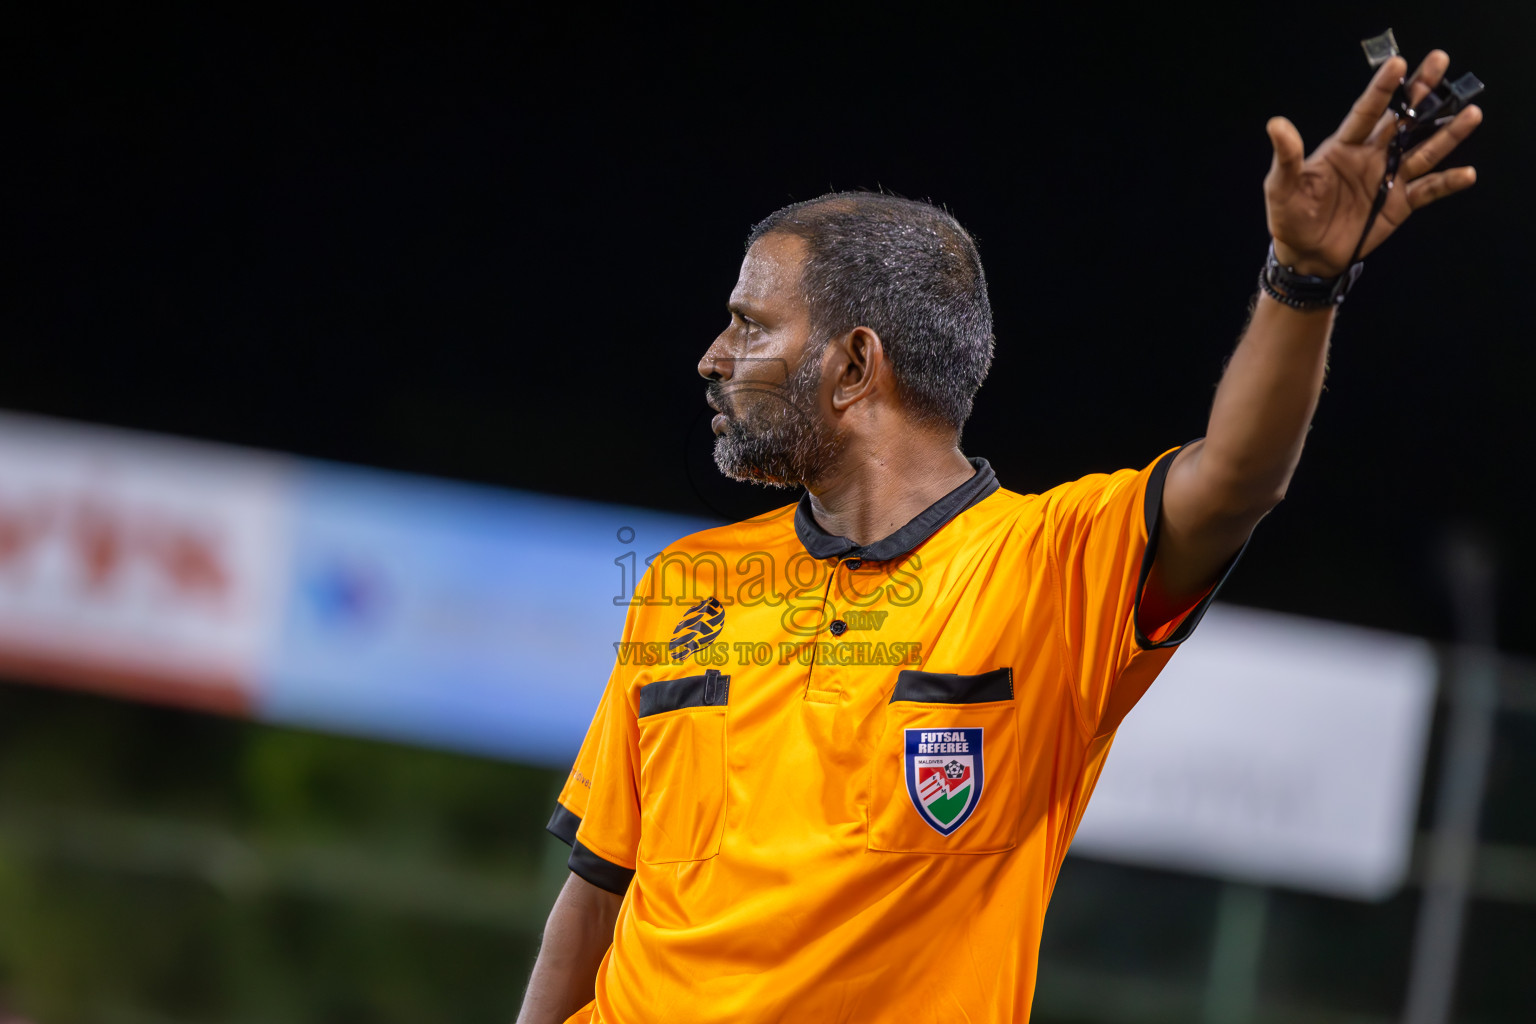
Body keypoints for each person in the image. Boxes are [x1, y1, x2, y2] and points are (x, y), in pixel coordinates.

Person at [516, 49, 1482, 1024]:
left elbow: (1235, 480)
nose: (713, 357)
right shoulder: (687, 581)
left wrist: (1302, 281)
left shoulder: (1049, 568)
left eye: (750, 325)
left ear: (855, 365)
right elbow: (598, 890)